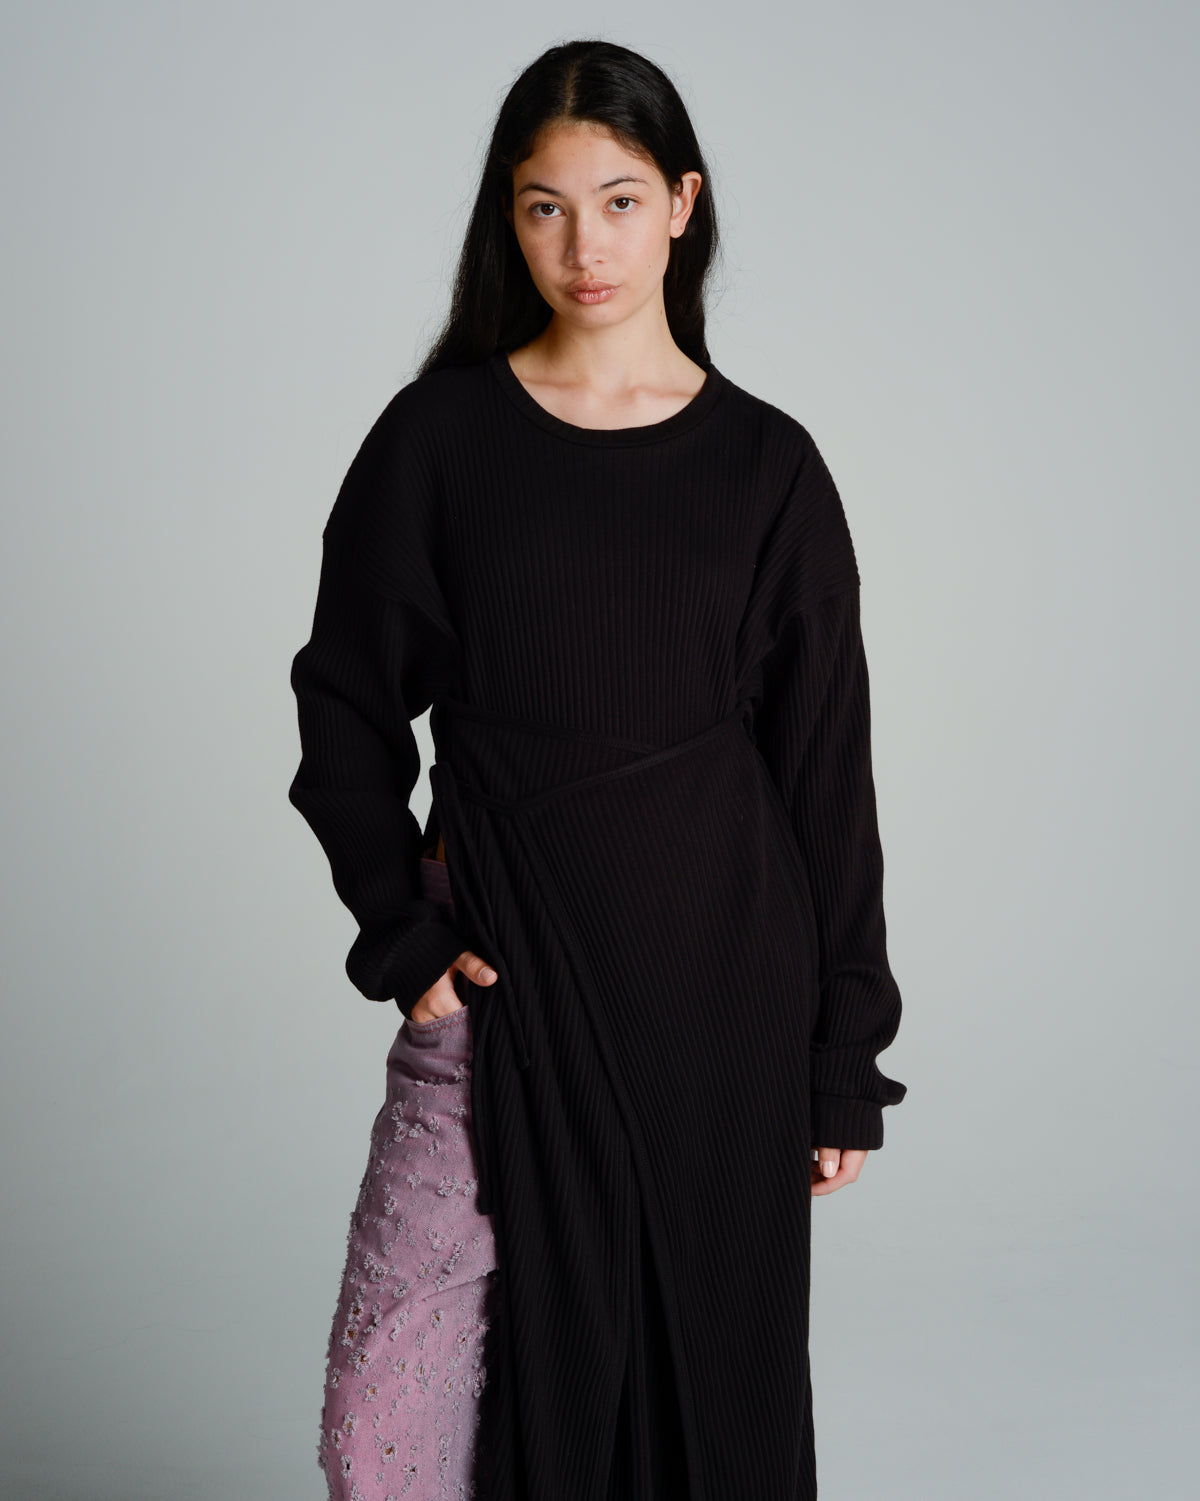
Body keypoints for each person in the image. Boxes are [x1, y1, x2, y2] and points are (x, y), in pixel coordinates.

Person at [287, 36, 908, 1501]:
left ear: (683, 204)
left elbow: (826, 779)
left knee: (706, 1404)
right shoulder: (438, 440)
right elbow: (343, 702)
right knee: (387, 1422)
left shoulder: (770, 470)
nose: (586, 247)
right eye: (546, 207)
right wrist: (404, 935)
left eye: (621, 202)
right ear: (507, 219)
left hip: (721, 1005)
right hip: (506, 986)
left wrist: (843, 1055)